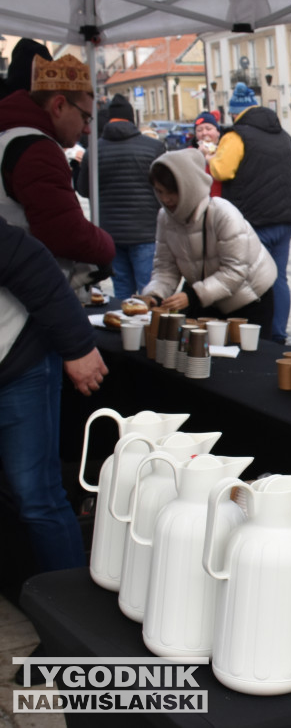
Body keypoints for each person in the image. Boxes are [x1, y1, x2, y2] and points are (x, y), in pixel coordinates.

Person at [0, 216, 108, 573]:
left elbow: (30, 262)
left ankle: (70, 612)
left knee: (37, 498)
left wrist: (77, 346)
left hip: (18, 358)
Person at [0, 53, 115, 299]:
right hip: (20, 302)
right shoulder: (38, 149)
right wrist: (107, 246)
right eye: (85, 117)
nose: (87, 128)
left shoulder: (8, 134)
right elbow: (65, 232)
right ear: (59, 105)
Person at [139, 148, 277, 334]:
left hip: (248, 298)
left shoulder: (223, 212)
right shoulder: (165, 217)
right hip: (207, 297)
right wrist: (154, 294)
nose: (165, 199)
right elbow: (165, 268)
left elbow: (235, 271)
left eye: (172, 192)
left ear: (188, 187)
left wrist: (193, 295)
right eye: (159, 191)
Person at [209, 82, 291, 344]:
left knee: (254, 279)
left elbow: (222, 171)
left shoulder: (236, 135)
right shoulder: (282, 134)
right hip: (285, 217)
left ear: (234, 113)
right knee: (279, 277)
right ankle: (278, 333)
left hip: (254, 219)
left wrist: (210, 157)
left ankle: (256, 333)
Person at [76, 94, 165, 300]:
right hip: (146, 232)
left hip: (110, 234)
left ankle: (124, 332)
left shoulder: (93, 150)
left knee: (122, 293)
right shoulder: (153, 148)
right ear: (131, 119)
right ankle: (149, 332)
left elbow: (83, 190)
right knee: (149, 292)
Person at [193, 111, 222, 196]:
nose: (204, 133)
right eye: (199, 130)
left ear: (218, 132)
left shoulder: (226, 150)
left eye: (208, 129)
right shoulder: (189, 152)